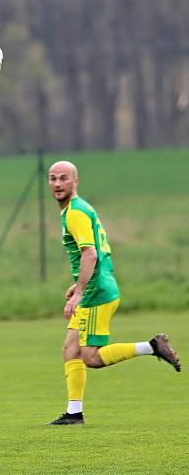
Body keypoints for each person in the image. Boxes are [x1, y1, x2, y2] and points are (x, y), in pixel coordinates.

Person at [47, 161, 181, 426]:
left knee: (92, 358)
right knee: (70, 350)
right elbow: (100, 252)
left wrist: (80, 292)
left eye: (64, 178)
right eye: (53, 179)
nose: (58, 184)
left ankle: (152, 346)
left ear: (76, 182)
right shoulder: (79, 209)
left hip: (96, 294)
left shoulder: (75, 212)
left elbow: (91, 253)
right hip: (95, 286)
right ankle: (74, 413)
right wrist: (78, 285)